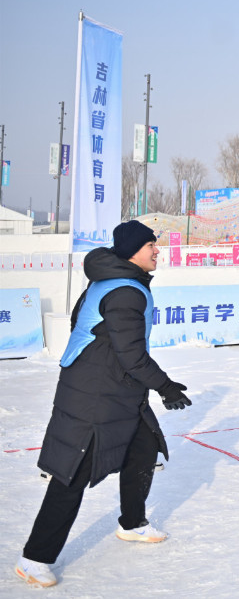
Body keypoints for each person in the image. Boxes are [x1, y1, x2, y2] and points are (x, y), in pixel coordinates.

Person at [15, 220, 192, 588]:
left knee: (143, 449)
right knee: (73, 472)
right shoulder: (126, 291)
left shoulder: (111, 280)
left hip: (117, 389)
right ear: (133, 251)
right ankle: (34, 559)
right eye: (151, 246)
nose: (157, 251)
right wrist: (166, 387)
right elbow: (132, 355)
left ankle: (132, 523)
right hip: (96, 396)